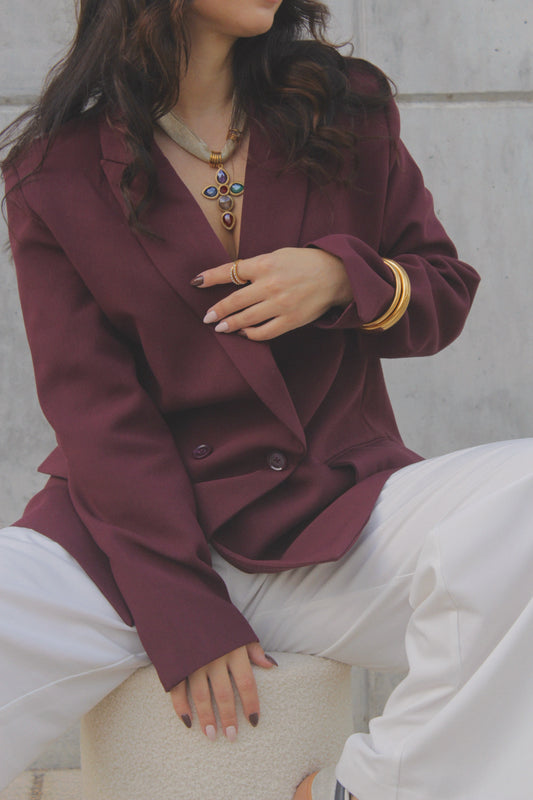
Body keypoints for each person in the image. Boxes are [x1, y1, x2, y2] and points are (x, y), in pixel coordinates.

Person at [1, 1, 532, 798]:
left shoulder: (344, 105)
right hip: (120, 544)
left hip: (333, 518)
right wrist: (182, 607)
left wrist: (343, 278)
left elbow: (442, 292)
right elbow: (94, 412)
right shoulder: (54, 172)